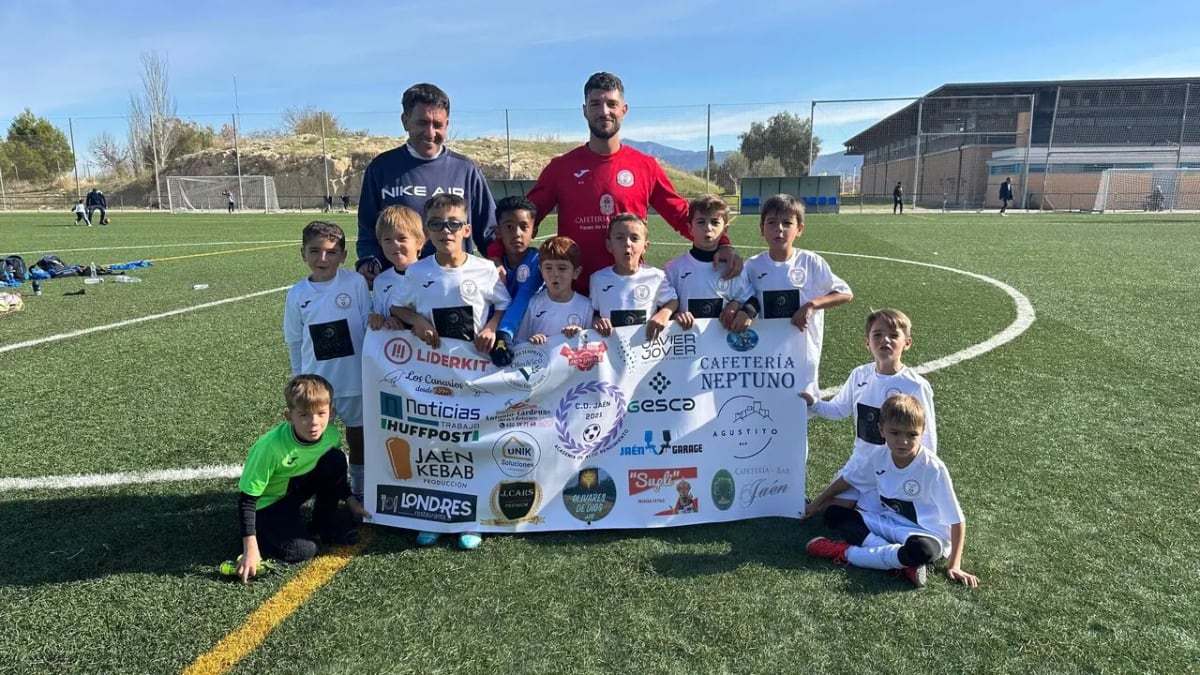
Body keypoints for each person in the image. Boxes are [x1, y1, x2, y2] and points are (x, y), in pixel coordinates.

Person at [490, 72, 740, 294]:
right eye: (595, 104)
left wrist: (722, 244)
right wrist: (496, 253)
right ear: (584, 110)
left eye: (611, 104)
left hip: (629, 294)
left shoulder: (645, 166)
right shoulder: (560, 168)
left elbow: (681, 215)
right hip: (573, 295)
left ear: (624, 109)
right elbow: (523, 218)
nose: (604, 111)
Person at [391, 193, 511, 551]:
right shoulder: (418, 272)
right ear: (427, 231)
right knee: (438, 446)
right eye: (437, 224)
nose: (446, 230)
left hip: (475, 374)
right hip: (435, 375)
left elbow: (503, 306)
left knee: (474, 444)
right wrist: (416, 321)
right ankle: (436, 516)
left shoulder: (484, 269)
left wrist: (491, 327)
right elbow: (397, 306)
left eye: (454, 224)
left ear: (467, 230)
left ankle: (473, 519)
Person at [802, 394, 978, 589]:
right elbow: (849, 479)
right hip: (888, 523)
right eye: (895, 433)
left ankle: (843, 552)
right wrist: (816, 503)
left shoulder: (933, 469)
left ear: (922, 431)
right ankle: (903, 564)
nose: (903, 441)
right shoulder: (878, 456)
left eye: (912, 435)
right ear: (881, 430)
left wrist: (954, 565)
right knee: (834, 513)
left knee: (923, 551)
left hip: (925, 533)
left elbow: (957, 520)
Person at [231, 374, 371, 582]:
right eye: (304, 415)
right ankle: (261, 535)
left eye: (321, 413)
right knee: (303, 550)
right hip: (268, 504)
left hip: (294, 491)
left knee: (335, 459)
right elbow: (247, 500)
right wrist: (250, 548)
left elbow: (336, 474)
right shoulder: (269, 447)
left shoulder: (331, 434)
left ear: (331, 412)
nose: (314, 422)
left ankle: (323, 523)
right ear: (289, 417)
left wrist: (351, 501)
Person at [356, 83, 497, 286]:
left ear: (447, 124)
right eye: (422, 123)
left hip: (453, 287)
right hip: (400, 288)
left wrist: (500, 262)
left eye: (437, 125)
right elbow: (368, 227)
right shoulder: (381, 168)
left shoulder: (465, 170)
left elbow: (489, 231)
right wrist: (368, 260)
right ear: (405, 121)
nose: (430, 133)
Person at [799, 309, 937, 511]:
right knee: (831, 510)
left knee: (865, 514)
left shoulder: (915, 385)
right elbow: (838, 409)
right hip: (859, 464)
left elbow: (928, 437)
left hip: (892, 469)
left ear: (907, 343)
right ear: (867, 342)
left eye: (893, 335)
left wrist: (921, 474)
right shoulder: (859, 375)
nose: (885, 340)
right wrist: (813, 403)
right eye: (878, 334)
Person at [284, 221, 371, 505]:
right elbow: (295, 340)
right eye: (315, 251)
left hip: (354, 379)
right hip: (318, 384)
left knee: (358, 436)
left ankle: (360, 487)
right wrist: (299, 379)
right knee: (315, 438)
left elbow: (368, 325)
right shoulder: (297, 294)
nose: (323, 258)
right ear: (303, 253)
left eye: (331, 252)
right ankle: (316, 489)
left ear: (343, 256)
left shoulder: (355, 283)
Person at [743, 194, 852, 397]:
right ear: (762, 229)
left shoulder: (811, 262)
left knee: (802, 405)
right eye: (771, 222)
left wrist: (812, 305)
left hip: (804, 353)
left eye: (787, 223)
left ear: (799, 229)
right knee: (765, 402)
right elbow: (743, 298)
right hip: (764, 352)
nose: (779, 228)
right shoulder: (752, 266)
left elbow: (845, 293)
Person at [664, 194, 754, 333]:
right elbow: (662, 307)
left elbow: (750, 299)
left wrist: (737, 306)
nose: (708, 228)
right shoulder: (673, 269)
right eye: (701, 222)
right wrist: (675, 316)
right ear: (689, 228)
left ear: (725, 229)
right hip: (688, 342)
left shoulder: (733, 267)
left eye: (715, 222)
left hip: (723, 343)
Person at [590, 213, 679, 341]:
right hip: (611, 348)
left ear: (645, 247)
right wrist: (596, 321)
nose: (627, 243)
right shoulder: (598, 279)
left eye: (634, 238)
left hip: (645, 348)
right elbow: (592, 311)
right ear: (609, 245)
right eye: (620, 238)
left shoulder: (656, 276)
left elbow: (673, 300)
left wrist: (664, 314)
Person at [516, 236, 592, 344]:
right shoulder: (533, 303)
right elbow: (520, 342)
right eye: (548, 268)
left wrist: (580, 335)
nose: (555, 274)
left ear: (576, 272)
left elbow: (592, 345)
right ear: (541, 271)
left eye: (562, 268)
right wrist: (532, 342)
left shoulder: (587, 306)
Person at [367, 205, 425, 331]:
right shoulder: (381, 281)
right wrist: (381, 320)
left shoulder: (432, 275)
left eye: (402, 238)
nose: (395, 245)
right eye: (387, 239)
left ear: (419, 242)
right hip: (396, 343)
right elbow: (380, 318)